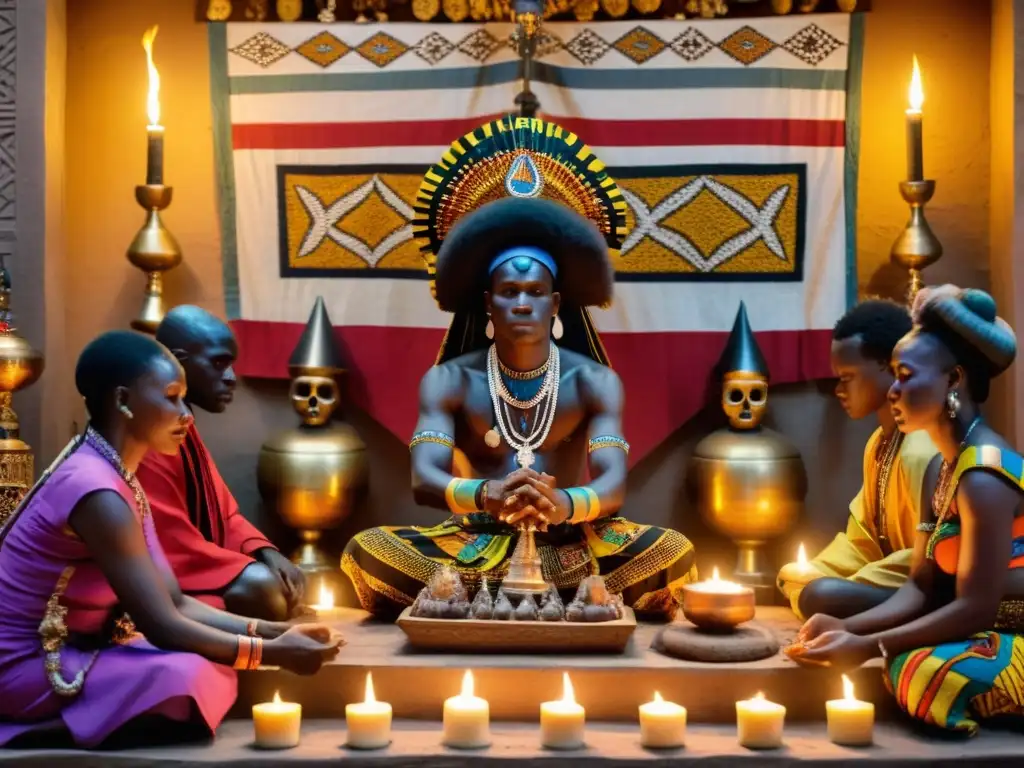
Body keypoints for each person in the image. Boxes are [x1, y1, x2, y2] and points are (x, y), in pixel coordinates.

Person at [342, 116, 698, 619]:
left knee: (669, 553)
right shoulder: (449, 380)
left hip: (569, 537)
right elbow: (424, 478)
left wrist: (562, 506)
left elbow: (613, 484)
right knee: (372, 551)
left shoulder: (594, 380)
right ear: (488, 303)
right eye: (509, 293)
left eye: (535, 294)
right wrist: (487, 494)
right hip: (474, 538)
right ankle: (559, 601)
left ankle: (492, 599)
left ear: (556, 303)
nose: (523, 305)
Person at [0, 331, 341, 748]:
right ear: (123, 400)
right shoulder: (97, 490)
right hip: (25, 666)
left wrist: (272, 632)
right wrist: (272, 654)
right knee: (187, 677)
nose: (187, 414)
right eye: (172, 397)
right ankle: (52, 729)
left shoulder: (119, 476)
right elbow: (160, 624)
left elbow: (174, 600)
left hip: (78, 649)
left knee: (207, 665)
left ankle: (98, 714)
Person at [787, 286, 1024, 736]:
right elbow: (920, 585)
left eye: (905, 375)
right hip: (973, 621)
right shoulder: (946, 465)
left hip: (1007, 627)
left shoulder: (984, 474)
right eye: (893, 375)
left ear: (953, 381)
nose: (892, 390)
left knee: (919, 673)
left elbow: (975, 608)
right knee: (900, 661)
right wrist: (845, 625)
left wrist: (865, 645)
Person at [136, 306, 305, 622]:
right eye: (218, 364)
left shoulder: (184, 426)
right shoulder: (150, 435)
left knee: (277, 581)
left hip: (199, 564)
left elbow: (223, 514)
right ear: (177, 362)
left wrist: (265, 552)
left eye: (231, 365)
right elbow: (172, 542)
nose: (231, 379)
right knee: (263, 591)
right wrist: (248, 570)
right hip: (167, 573)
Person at [777, 300, 939, 619]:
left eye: (847, 377)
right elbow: (863, 541)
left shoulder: (924, 448)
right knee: (794, 577)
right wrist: (813, 570)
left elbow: (933, 555)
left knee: (821, 595)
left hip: (930, 582)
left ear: (890, 367)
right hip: (887, 580)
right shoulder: (878, 443)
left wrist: (846, 584)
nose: (839, 389)